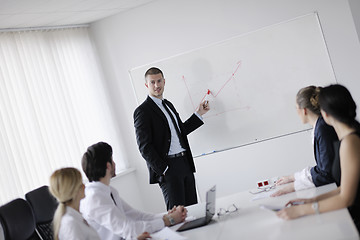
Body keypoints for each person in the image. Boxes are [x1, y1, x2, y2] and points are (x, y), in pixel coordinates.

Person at [276, 84, 360, 232]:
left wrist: (303, 210)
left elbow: (346, 198)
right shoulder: (349, 138)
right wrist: (313, 200)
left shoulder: (350, 142)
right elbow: (344, 187)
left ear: (325, 114)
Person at [133, 67, 210, 210]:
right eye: (152, 82)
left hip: (184, 163)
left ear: (164, 81)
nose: (157, 85)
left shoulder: (168, 105)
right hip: (168, 168)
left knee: (193, 210)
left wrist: (199, 113)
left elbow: (180, 131)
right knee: (177, 215)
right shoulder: (143, 111)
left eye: (159, 81)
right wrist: (163, 169)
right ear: (146, 85)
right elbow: (144, 147)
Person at [80, 142, 187, 240]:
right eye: (112, 160)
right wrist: (168, 221)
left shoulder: (108, 191)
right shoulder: (94, 198)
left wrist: (167, 216)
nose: (114, 163)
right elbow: (129, 230)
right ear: (108, 166)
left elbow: (137, 216)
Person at [271, 86, 337, 197]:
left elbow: (326, 174)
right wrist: (294, 177)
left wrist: (294, 186)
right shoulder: (319, 126)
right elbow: (322, 168)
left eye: (296, 108)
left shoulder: (323, 128)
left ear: (304, 110)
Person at [49, 167, 101, 240]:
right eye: (80, 183)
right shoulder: (70, 223)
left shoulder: (75, 216)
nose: (84, 186)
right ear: (73, 189)